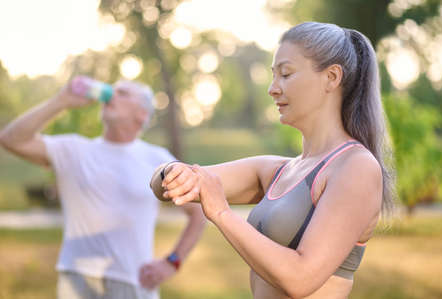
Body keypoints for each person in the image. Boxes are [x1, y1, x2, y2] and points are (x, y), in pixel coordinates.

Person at [151, 22, 395, 299]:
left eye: (286, 74)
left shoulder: (356, 167)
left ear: (331, 77)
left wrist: (221, 214)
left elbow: (301, 279)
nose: (272, 88)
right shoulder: (278, 171)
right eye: (273, 75)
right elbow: (163, 186)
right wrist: (173, 172)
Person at [0, 78, 206, 299]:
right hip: (76, 281)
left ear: (142, 114)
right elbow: (11, 140)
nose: (110, 94)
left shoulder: (157, 160)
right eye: (112, 90)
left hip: (134, 282)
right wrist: (61, 101)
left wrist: (172, 262)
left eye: (123, 93)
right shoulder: (73, 150)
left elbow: (198, 214)